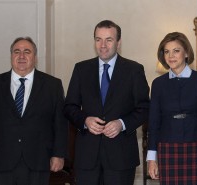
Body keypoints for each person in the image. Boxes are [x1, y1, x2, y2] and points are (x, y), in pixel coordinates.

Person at [63, 20, 150, 185]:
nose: (103, 45)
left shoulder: (134, 70)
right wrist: (85, 120)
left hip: (121, 158)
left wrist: (122, 123)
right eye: (98, 39)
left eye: (108, 39)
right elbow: (69, 107)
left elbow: (145, 108)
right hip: (87, 158)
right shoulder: (81, 69)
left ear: (118, 42)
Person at [0, 37, 68, 185]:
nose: (21, 56)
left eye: (27, 52)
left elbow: (60, 124)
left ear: (35, 57)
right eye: (17, 51)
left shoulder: (52, 85)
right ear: (11, 56)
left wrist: (59, 154)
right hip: (1, 161)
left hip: (38, 161)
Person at [147, 32, 197, 185]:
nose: (171, 56)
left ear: (186, 53)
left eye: (176, 50)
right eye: (167, 51)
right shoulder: (158, 84)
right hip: (167, 148)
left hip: (196, 148)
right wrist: (152, 158)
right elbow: (153, 123)